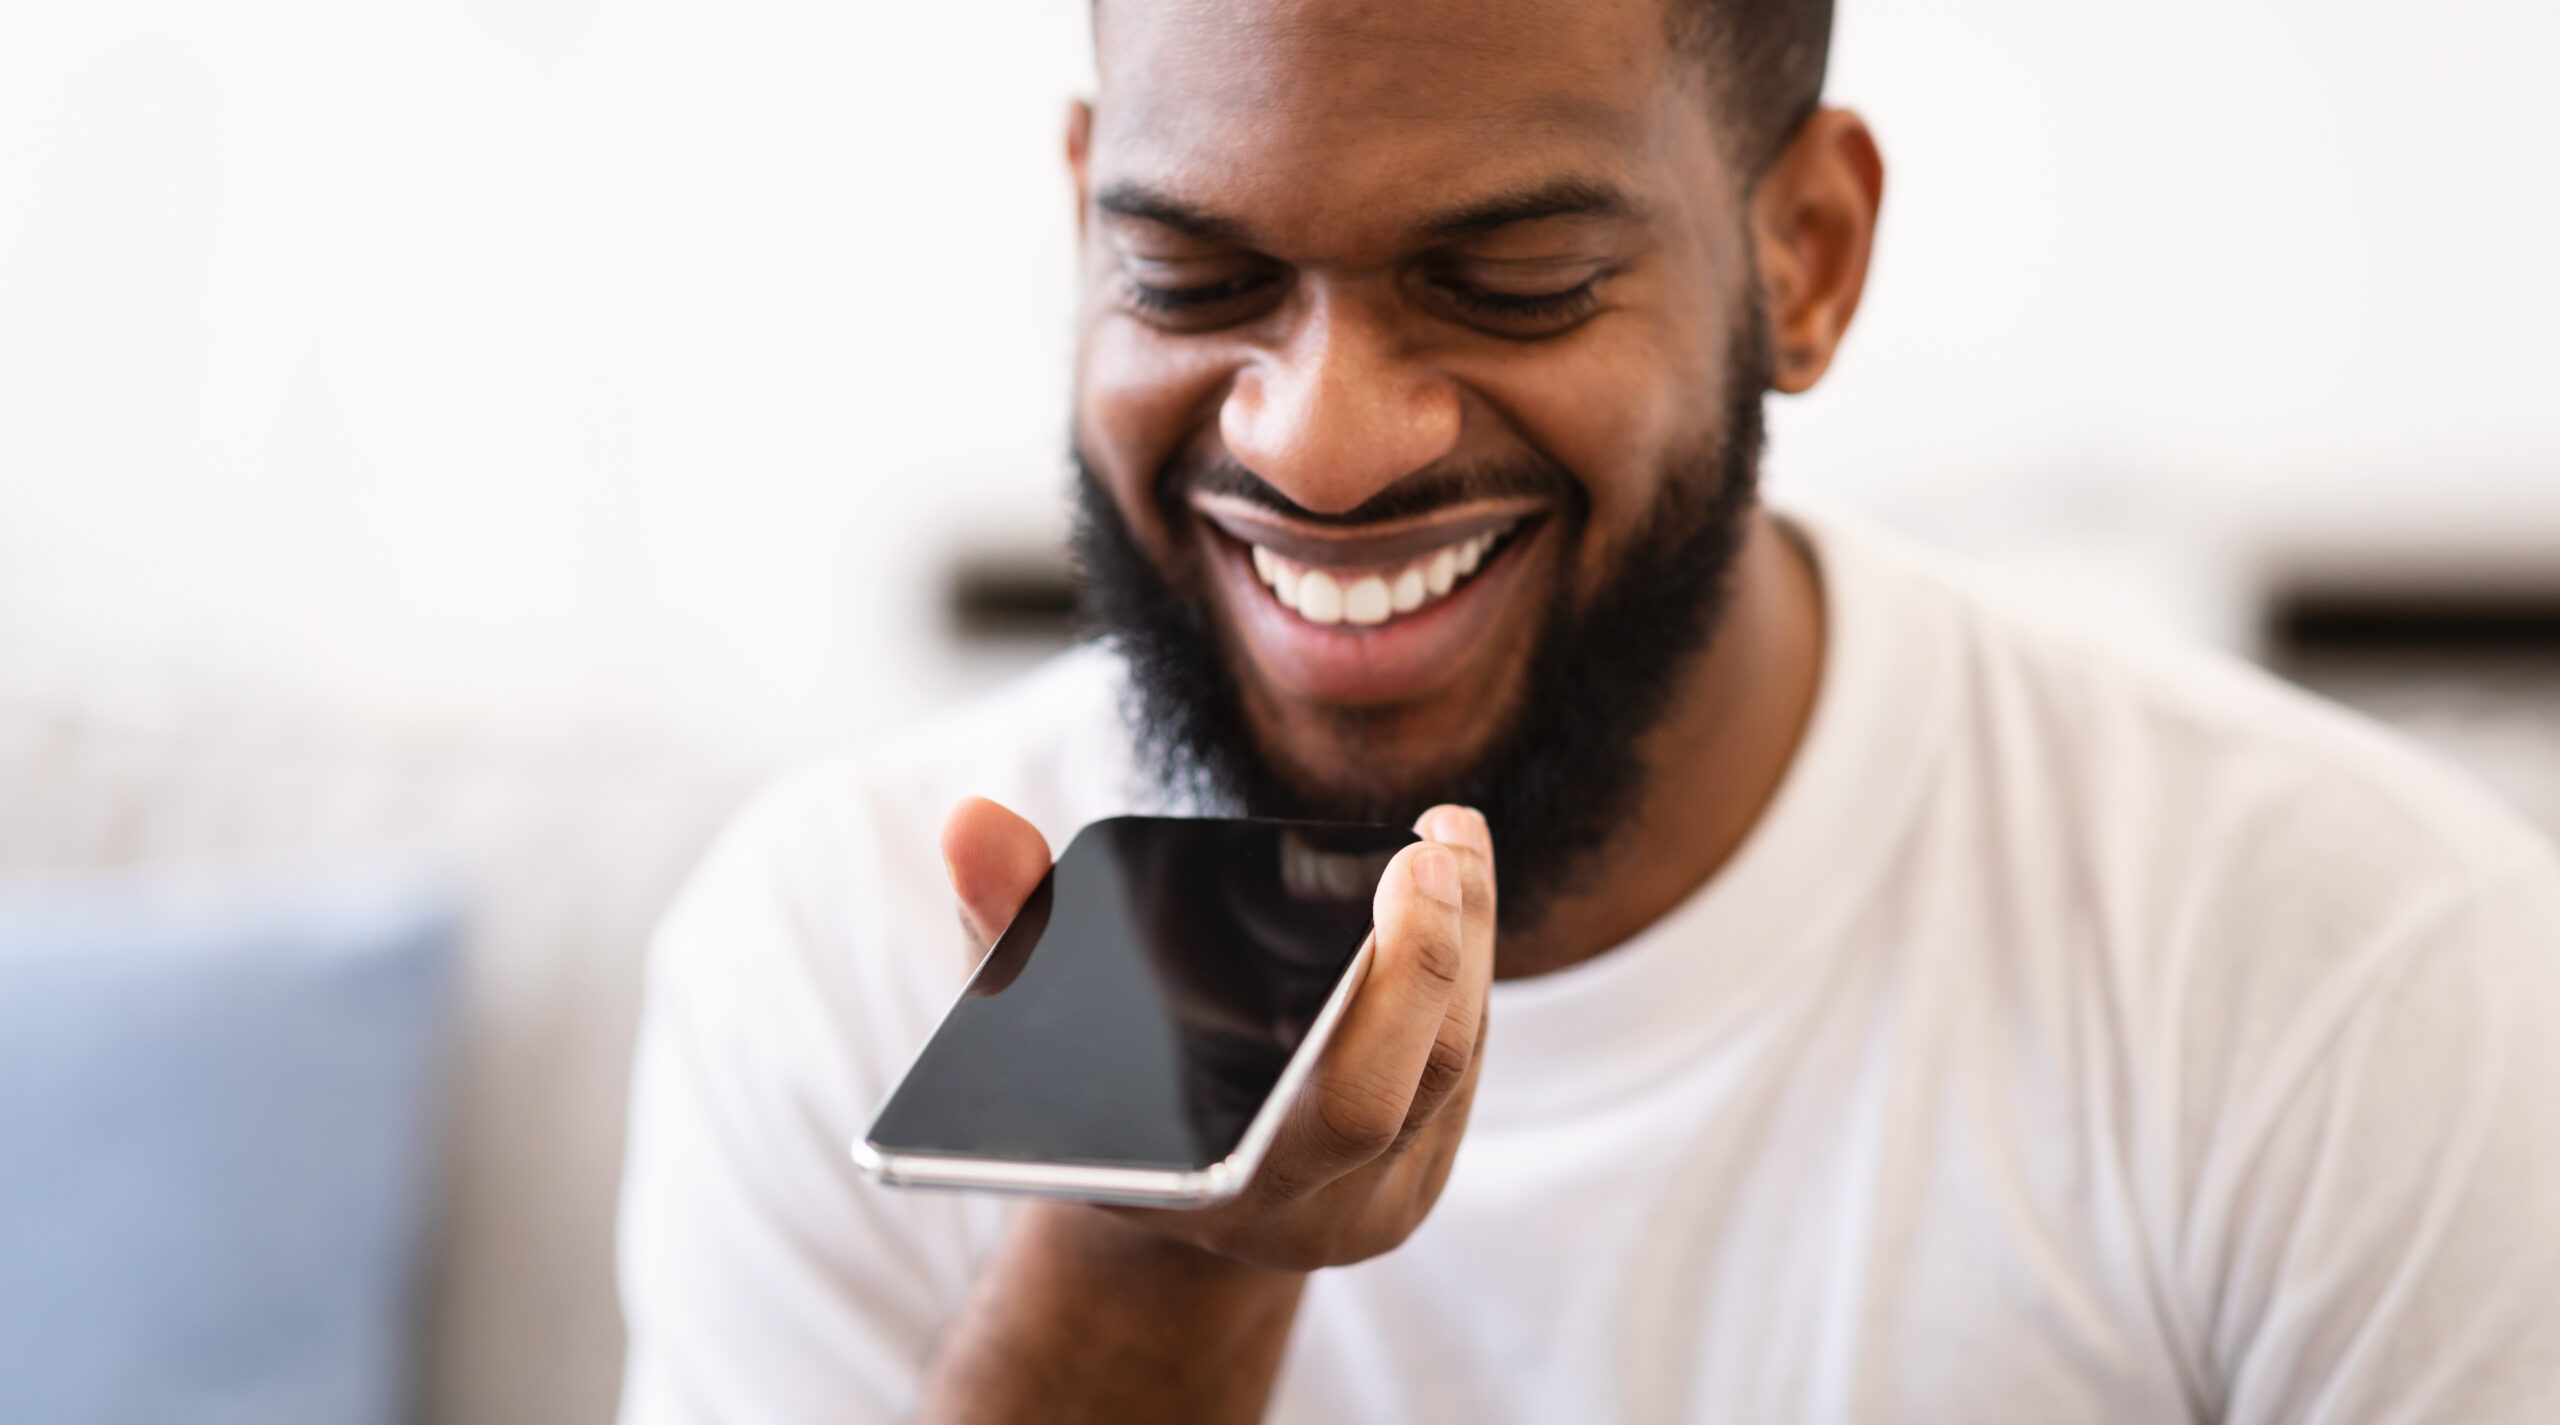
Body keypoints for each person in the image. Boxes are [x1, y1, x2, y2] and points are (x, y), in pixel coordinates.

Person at [613, 0, 2560, 1419]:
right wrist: (1147, 1255)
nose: (1318, 441)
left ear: (1802, 257)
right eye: (1188, 274)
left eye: (1511, 282)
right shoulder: (820, 949)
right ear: (1078, 224)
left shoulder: (2358, 968)